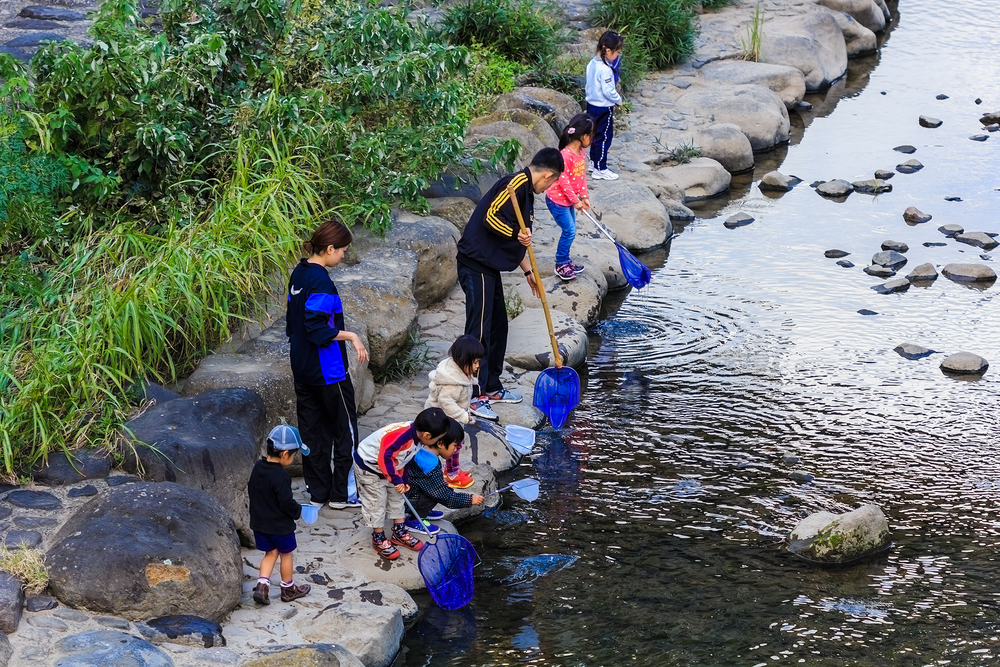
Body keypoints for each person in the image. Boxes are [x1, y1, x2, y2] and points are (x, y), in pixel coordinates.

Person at [456, 147, 564, 416]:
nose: (550, 187)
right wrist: (518, 234)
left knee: (498, 327)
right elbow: (490, 216)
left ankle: (491, 385)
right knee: (479, 330)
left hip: (489, 265)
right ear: (549, 175)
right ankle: (472, 394)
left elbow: (516, 236)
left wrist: (529, 273)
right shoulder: (514, 184)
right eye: (553, 182)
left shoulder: (527, 191)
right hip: (475, 263)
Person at [286, 219, 369, 510]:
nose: (343, 255)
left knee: (312, 431)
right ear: (330, 248)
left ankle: (317, 491)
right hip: (328, 370)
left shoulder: (299, 272)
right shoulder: (321, 280)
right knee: (344, 430)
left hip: (302, 367)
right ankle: (342, 495)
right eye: (342, 250)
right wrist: (353, 337)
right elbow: (317, 328)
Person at [353, 407, 451, 560]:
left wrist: (404, 480)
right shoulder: (401, 437)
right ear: (427, 435)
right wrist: (396, 480)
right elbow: (385, 458)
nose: (438, 442)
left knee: (398, 497)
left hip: (393, 467)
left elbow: (405, 458)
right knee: (376, 502)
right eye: (437, 439)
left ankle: (399, 532)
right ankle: (378, 537)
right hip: (370, 468)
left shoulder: (418, 438)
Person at [248, 425, 312, 605]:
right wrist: (298, 511)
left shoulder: (258, 467)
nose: (293, 459)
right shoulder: (281, 477)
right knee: (286, 554)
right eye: (293, 455)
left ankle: (262, 586)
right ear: (285, 454)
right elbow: (286, 503)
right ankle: (288, 589)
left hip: (259, 524)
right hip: (280, 527)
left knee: (270, 552)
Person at [425, 334, 492, 489]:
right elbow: (446, 402)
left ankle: (452, 469)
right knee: (453, 445)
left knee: (456, 445)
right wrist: (463, 416)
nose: (477, 366)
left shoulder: (458, 371)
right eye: (475, 363)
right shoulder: (452, 383)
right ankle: (452, 475)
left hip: (449, 418)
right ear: (462, 361)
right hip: (441, 421)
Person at [404, 418, 486, 536]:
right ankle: (414, 518)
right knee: (436, 490)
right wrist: (470, 499)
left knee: (435, 486)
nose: (457, 450)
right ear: (440, 443)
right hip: (409, 500)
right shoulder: (428, 466)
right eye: (455, 446)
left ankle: (422, 511)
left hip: (410, 492)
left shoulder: (422, 451)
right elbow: (445, 496)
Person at [545, 113, 596, 281]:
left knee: (571, 230)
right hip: (557, 201)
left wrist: (584, 197)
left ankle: (566, 260)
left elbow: (581, 177)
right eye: (592, 135)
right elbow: (563, 181)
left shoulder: (580, 153)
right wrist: (576, 201)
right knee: (569, 231)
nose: (593, 138)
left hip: (568, 200)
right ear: (583, 136)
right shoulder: (565, 156)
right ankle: (560, 263)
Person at [586, 31, 624, 181]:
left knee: (594, 135)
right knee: (604, 137)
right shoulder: (605, 69)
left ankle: (593, 162)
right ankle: (600, 168)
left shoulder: (592, 63)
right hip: (603, 107)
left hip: (591, 104)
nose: (617, 55)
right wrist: (618, 100)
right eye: (617, 52)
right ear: (607, 50)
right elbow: (609, 91)